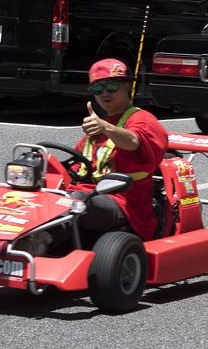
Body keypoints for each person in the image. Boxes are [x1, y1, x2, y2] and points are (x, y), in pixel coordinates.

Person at [70, 58, 170, 241]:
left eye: (112, 86)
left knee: (73, 201)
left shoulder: (143, 120)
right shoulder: (96, 128)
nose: (105, 93)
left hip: (126, 203)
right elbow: (76, 165)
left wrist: (105, 128)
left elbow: (132, 141)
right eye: (98, 89)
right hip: (88, 194)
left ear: (126, 86)